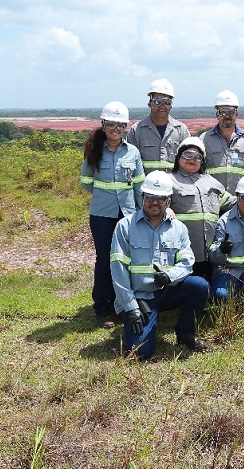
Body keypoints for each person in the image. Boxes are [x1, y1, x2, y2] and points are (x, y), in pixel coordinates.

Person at [110, 171, 209, 359]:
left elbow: (187, 262)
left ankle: (185, 332)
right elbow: (118, 272)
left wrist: (170, 276)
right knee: (140, 352)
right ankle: (141, 324)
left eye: (161, 199)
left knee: (199, 286)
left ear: (168, 202)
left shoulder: (178, 228)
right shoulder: (124, 227)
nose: (155, 202)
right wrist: (130, 307)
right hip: (140, 297)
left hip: (167, 290)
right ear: (142, 197)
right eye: (150, 197)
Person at [80, 101, 145, 328]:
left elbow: (139, 185)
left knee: (126, 260)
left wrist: (140, 213)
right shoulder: (94, 150)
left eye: (120, 125)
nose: (116, 130)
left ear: (126, 127)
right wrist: (105, 196)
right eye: (111, 125)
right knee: (105, 260)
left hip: (127, 214)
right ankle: (102, 308)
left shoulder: (133, 152)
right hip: (101, 215)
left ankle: (124, 305)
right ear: (103, 125)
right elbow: (86, 182)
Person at [169, 136, 236, 280]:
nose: (192, 159)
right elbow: (155, 203)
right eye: (187, 154)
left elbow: (231, 202)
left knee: (208, 290)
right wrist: (166, 209)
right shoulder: (169, 180)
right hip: (182, 250)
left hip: (210, 251)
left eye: (197, 157)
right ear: (178, 156)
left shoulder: (211, 182)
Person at [126, 78, 191, 173]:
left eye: (167, 102)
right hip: (146, 186)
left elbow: (189, 162)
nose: (162, 106)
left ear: (171, 106)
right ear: (150, 103)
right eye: (157, 101)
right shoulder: (136, 131)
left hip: (174, 186)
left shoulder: (181, 130)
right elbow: (130, 164)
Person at [200, 90, 244, 193]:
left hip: (241, 200)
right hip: (212, 199)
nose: (227, 116)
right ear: (217, 114)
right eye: (222, 111)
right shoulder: (204, 139)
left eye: (231, 112)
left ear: (236, 114)